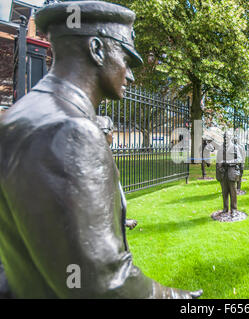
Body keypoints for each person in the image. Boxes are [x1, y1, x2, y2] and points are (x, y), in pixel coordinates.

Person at [0, 1, 201, 298]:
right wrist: (175, 297)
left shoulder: (18, 115)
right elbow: (103, 283)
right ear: (96, 49)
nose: (130, 75)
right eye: (126, 59)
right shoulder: (71, 130)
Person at [96, 115, 138, 230]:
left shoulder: (105, 152)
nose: (113, 136)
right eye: (111, 132)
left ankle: (122, 221)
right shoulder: (98, 154)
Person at [216, 132, 243, 216]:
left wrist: (228, 162)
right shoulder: (220, 148)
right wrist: (219, 167)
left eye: (227, 137)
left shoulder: (235, 147)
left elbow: (239, 159)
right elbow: (218, 160)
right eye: (224, 137)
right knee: (224, 192)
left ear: (230, 137)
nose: (225, 138)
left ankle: (234, 209)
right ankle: (225, 208)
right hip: (223, 173)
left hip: (232, 172)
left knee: (233, 192)